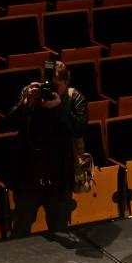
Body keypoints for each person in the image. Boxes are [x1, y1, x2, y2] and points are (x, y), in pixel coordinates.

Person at [7, 61, 88, 236]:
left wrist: (59, 108)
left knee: (59, 230)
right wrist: (28, 101)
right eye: (48, 85)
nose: (51, 91)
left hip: (59, 182)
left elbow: (80, 129)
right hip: (29, 181)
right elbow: (10, 123)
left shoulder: (75, 98)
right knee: (20, 232)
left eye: (56, 87)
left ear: (66, 84)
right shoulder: (31, 93)